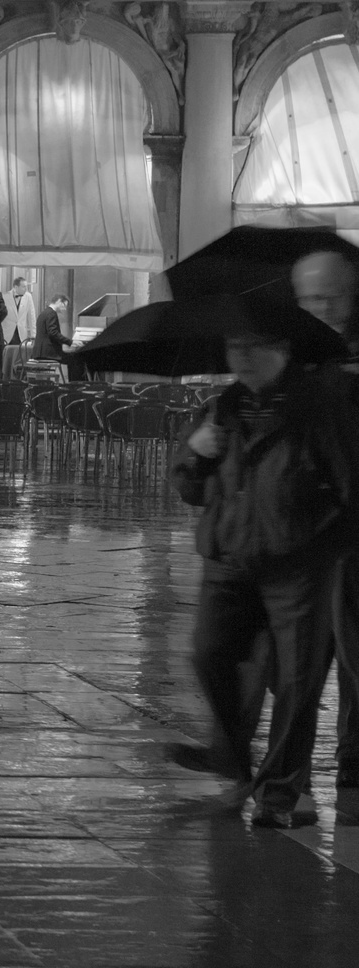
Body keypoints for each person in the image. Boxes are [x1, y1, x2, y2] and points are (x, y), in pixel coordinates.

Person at [171, 328, 359, 828]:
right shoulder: (221, 409)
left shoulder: (318, 409)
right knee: (210, 652)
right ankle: (235, 761)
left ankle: (278, 796)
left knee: (297, 680)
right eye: (235, 349)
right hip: (228, 557)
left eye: (256, 347)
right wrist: (197, 452)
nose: (244, 358)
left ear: (284, 349)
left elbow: (349, 485)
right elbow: (190, 488)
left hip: (296, 563)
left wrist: (323, 547)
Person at [291, 250, 359, 824]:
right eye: (312, 298)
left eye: (333, 295)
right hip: (306, 534)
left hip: (353, 532)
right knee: (301, 665)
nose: (324, 307)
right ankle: (291, 775)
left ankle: (354, 774)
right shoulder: (293, 360)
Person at [32, 294, 87, 381]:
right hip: (48, 353)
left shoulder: (44, 312)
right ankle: (76, 386)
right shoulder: (51, 314)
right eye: (64, 305)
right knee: (76, 358)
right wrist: (70, 342)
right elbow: (53, 333)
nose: (64, 309)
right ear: (58, 301)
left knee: (73, 357)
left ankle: (73, 385)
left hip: (40, 352)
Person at [0, 276, 37, 380]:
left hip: (21, 333)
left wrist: (33, 335)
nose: (26, 289)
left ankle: (18, 380)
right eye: (23, 286)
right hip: (8, 333)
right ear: (15, 286)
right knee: (7, 358)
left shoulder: (28, 297)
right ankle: (7, 379)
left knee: (19, 360)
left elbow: (32, 316)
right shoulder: (4, 296)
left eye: (26, 286)